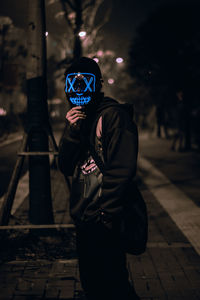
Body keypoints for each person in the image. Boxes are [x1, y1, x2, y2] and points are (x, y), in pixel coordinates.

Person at [58, 57, 140, 300]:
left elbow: (122, 169)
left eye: (85, 81)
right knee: (93, 285)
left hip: (104, 217)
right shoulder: (79, 118)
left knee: (114, 285)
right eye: (73, 83)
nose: (78, 88)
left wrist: (108, 214)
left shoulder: (114, 116)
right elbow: (64, 165)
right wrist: (72, 131)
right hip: (84, 218)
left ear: (99, 84)